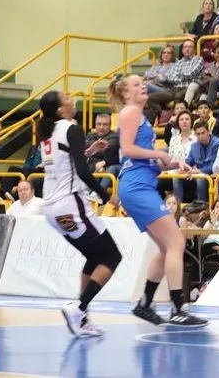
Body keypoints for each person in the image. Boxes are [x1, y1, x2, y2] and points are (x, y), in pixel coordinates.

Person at [108, 74, 208, 327]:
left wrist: (174, 163)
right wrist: (159, 153)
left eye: (142, 82)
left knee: (166, 248)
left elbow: (143, 158)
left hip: (141, 184)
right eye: (135, 84)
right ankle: (177, 308)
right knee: (177, 241)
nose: (142, 86)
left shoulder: (138, 114)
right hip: (136, 186)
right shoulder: (130, 112)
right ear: (125, 94)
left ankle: (145, 304)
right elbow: (128, 150)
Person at [37, 91, 122, 338]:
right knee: (112, 256)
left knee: (94, 256)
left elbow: (66, 161)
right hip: (70, 204)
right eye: (67, 98)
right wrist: (108, 197)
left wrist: (89, 149)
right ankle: (79, 308)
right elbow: (83, 173)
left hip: (52, 209)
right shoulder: (71, 128)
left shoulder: (47, 132)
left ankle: (82, 317)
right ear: (60, 109)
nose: (72, 100)